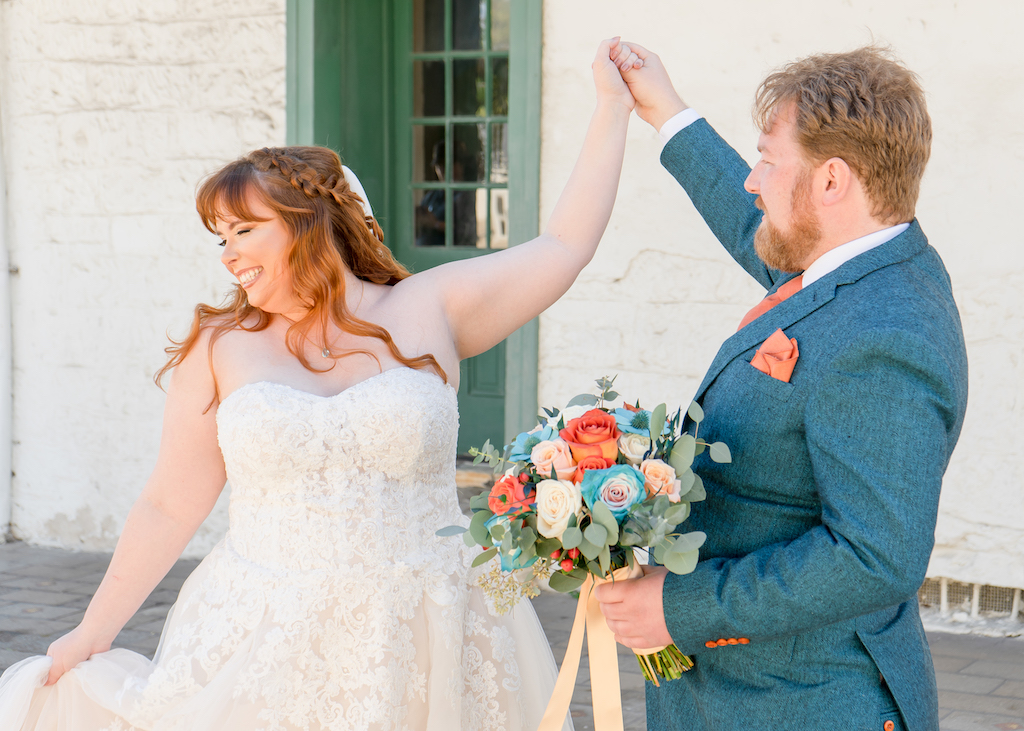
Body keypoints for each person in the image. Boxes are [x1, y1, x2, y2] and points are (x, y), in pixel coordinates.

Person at [0, 38, 639, 730]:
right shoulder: (219, 349)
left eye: (245, 229)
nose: (229, 254)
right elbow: (166, 504)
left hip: (433, 625)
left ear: (309, 225)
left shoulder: (430, 307)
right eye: (220, 236)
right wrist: (92, 630)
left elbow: (564, 246)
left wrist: (612, 107)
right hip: (265, 636)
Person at [595, 41, 968, 731]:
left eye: (768, 158)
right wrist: (667, 114)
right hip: (731, 693)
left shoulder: (890, 335)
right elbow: (759, 231)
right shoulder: (859, 255)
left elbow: (873, 555)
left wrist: (680, 607)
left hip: (806, 703)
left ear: (831, 181)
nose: (753, 179)